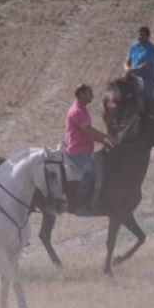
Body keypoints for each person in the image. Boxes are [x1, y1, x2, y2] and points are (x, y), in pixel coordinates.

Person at [64, 85, 114, 214]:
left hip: (85, 151)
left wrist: (104, 142)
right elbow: (89, 130)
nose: (92, 96)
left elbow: (88, 134)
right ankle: (77, 203)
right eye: (89, 93)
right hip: (77, 151)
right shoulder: (77, 111)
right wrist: (106, 137)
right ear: (81, 94)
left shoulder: (83, 110)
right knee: (89, 173)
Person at [124, 26, 154, 108]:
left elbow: (146, 66)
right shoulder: (133, 46)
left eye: (142, 35)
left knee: (146, 94)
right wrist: (126, 68)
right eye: (139, 34)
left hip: (147, 77)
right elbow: (127, 60)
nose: (139, 37)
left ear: (148, 36)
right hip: (133, 76)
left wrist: (131, 69)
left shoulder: (152, 49)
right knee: (120, 89)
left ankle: (146, 114)